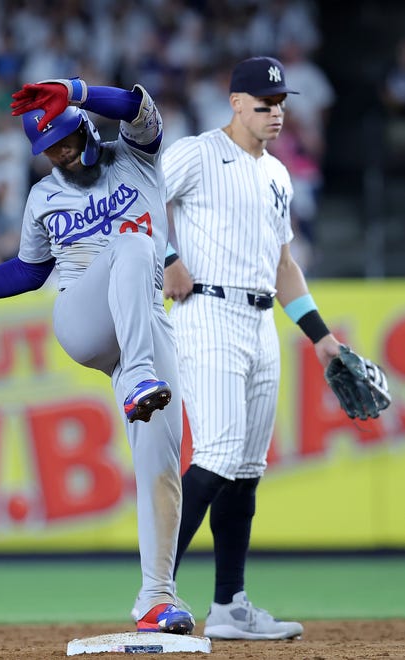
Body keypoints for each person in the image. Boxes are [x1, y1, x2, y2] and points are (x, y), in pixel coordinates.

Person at [0, 76, 195, 636]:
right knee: (130, 241)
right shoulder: (43, 197)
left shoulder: (138, 157)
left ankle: (156, 599)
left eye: (65, 141)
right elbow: (30, 272)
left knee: (162, 465)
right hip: (82, 318)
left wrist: (78, 90)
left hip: (144, 328)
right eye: (48, 149)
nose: (59, 154)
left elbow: (135, 105)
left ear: (84, 128)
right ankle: (138, 379)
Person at [161, 56, 342, 640]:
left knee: (245, 469)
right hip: (207, 312)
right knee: (214, 454)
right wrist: (167, 257)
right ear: (236, 102)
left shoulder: (277, 176)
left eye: (281, 103)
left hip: (262, 321)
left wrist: (321, 339)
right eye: (264, 103)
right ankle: (155, 597)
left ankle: (229, 607)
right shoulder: (196, 152)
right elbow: (139, 203)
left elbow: (285, 265)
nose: (276, 112)